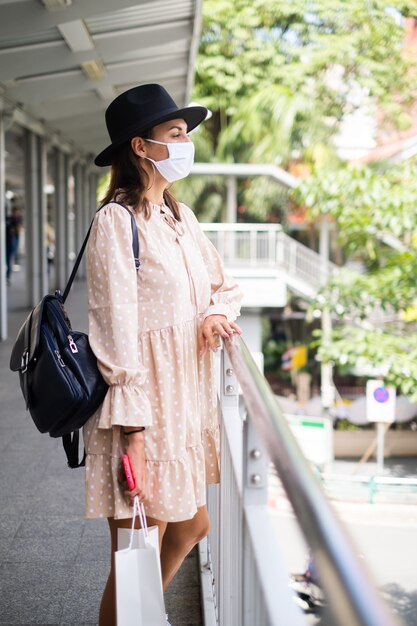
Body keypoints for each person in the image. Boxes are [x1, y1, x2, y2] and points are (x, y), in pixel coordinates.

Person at [85, 83, 243, 626]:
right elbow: (116, 332)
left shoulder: (178, 215)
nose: (185, 142)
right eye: (174, 134)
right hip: (143, 418)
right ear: (140, 147)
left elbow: (223, 284)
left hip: (182, 409)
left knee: (192, 526)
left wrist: (212, 313)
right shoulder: (117, 221)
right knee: (135, 564)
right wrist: (135, 439)